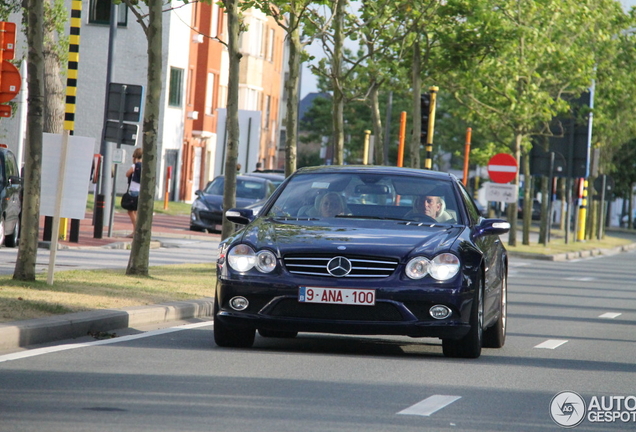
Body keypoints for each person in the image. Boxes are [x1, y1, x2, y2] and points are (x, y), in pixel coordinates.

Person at [125, 147, 142, 231]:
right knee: (136, 212)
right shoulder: (145, 166)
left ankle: (136, 230)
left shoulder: (135, 166)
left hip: (134, 190)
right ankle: (137, 230)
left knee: (130, 211)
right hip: (141, 191)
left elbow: (127, 174)